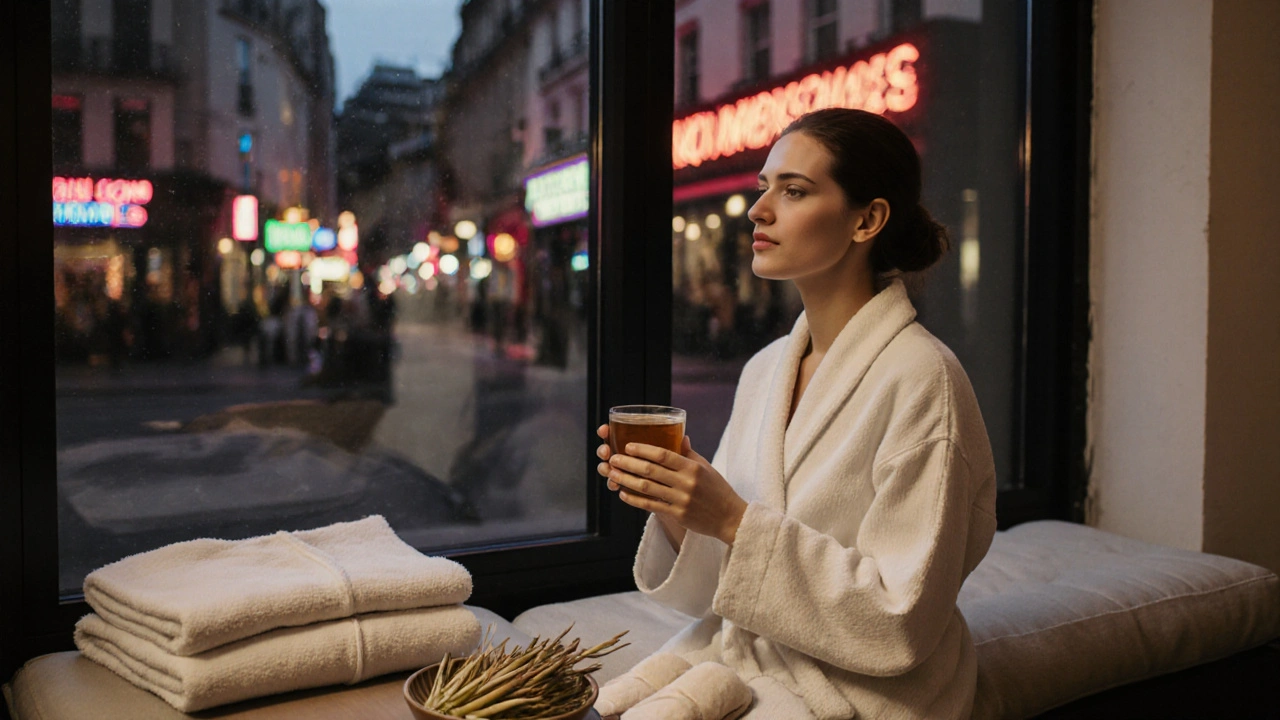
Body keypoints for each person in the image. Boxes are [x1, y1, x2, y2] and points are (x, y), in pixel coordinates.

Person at [595, 108, 998, 720]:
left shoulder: (924, 380)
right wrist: (680, 506)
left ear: (867, 219)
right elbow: (721, 587)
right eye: (764, 186)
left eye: (794, 190)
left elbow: (902, 619)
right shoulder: (767, 368)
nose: (759, 209)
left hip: (867, 690)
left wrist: (731, 518)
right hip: (753, 653)